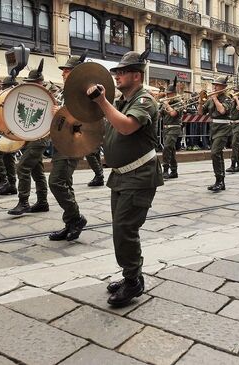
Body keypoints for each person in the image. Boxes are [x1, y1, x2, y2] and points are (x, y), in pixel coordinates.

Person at [87, 50, 163, 307]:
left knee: (125, 230)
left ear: (136, 75)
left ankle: (133, 282)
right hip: (121, 176)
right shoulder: (122, 101)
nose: (117, 77)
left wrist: (102, 101)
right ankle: (132, 275)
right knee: (121, 230)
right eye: (116, 73)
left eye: (121, 73)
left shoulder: (145, 100)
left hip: (139, 175)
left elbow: (127, 126)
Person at [47, 53, 88, 241]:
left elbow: (85, 121)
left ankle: (77, 218)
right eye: (64, 70)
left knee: (56, 182)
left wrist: (60, 114)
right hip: (61, 141)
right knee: (66, 183)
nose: (63, 73)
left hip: (72, 143)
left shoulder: (82, 93)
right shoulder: (65, 92)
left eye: (67, 70)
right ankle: (70, 222)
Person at [6, 68, 49, 215]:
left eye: (33, 82)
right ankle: (42, 202)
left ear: (40, 83)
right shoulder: (32, 95)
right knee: (37, 171)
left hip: (40, 138)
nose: (30, 85)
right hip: (30, 137)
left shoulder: (48, 97)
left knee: (22, 167)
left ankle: (23, 202)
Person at [198, 76, 233, 192]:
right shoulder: (211, 99)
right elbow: (201, 112)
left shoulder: (227, 99)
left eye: (217, 85)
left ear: (223, 87)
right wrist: (200, 102)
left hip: (223, 128)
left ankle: (219, 180)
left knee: (215, 153)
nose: (214, 87)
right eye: (214, 85)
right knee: (217, 154)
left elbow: (222, 111)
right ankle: (220, 181)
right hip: (213, 128)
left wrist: (215, 99)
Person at [0, 80, 18, 195]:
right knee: (8, 155)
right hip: (8, 131)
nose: (3, 89)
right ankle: (11, 184)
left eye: (5, 86)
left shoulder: (13, 97)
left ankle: (4, 180)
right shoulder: (7, 97)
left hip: (11, 131)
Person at [159, 79, 182, 179]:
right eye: (167, 94)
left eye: (169, 94)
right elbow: (159, 114)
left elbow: (173, 114)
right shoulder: (165, 103)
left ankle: (165, 170)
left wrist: (167, 105)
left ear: (174, 94)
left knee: (167, 147)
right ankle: (174, 170)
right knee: (171, 149)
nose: (167, 96)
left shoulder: (179, 102)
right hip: (166, 129)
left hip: (174, 128)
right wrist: (160, 105)